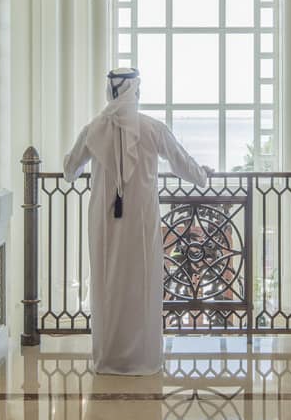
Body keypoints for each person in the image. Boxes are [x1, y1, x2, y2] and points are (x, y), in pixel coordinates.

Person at [64, 68, 212, 375]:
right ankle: (143, 360)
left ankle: (110, 358)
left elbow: (69, 169)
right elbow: (182, 162)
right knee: (142, 284)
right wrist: (203, 176)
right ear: (134, 92)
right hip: (142, 224)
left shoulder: (93, 130)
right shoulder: (152, 128)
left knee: (108, 283)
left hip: (105, 224)